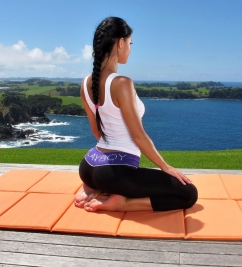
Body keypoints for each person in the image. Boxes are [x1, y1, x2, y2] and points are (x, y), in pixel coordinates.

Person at [75, 16, 198, 212]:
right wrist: (165, 167)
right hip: (112, 174)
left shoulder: (85, 83)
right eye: (130, 43)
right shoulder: (122, 83)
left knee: (114, 179)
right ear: (120, 42)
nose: (130, 50)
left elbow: (97, 132)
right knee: (189, 193)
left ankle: (94, 189)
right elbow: (138, 136)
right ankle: (123, 202)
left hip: (88, 167)